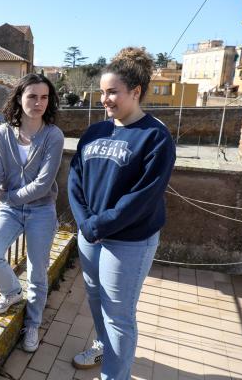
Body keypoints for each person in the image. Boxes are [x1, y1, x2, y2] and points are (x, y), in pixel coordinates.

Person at [68, 47, 176, 379]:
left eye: (112, 92)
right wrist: (86, 222)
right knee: (97, 300)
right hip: (91, 236)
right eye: (102, 92)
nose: (105, 99)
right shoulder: (95, 131)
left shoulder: (155, 138)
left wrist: (98, 224)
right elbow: (75, 177)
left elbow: (142, 198)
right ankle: (103, 345)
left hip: (128, 242)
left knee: (119, 315)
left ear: (135, 91)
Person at [0, 73, 64, 352]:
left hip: (41, 210)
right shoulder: (3, 134)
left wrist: (7, 196)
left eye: (44, 97)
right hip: (10, 210)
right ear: (19, 98)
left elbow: (43, 184)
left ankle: (33, 324)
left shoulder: (53, 136)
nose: (38, 103)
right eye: (32, 96)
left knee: (37, 272)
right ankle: (12, 292)